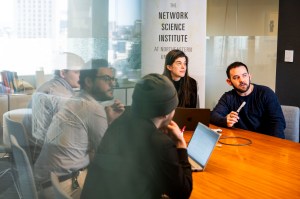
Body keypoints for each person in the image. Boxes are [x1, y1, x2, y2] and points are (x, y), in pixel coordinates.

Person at [81, 73, 193, 199]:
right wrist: (180, 144)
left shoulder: (121, 120)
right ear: (165, 113)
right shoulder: (160, 142)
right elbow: (183, 192)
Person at [34, 64, 124, 198]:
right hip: (62, 186)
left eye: (113, 79)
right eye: (106, 79)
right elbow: (106, 155)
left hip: (47, 182)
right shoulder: (92, 108)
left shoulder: (76, 99)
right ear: (88, 81)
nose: (112, 83)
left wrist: (107, 121)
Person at [210, 61, 286, 138]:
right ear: (229, 82)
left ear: (249, 76)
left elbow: (278, 123)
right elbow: (213, 115)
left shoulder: (266, 93)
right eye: (236, 77)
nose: (242, 80)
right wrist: (225, 120)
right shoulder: (228, 97)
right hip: (240, 141)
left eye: (244, 75)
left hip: (264, 141)